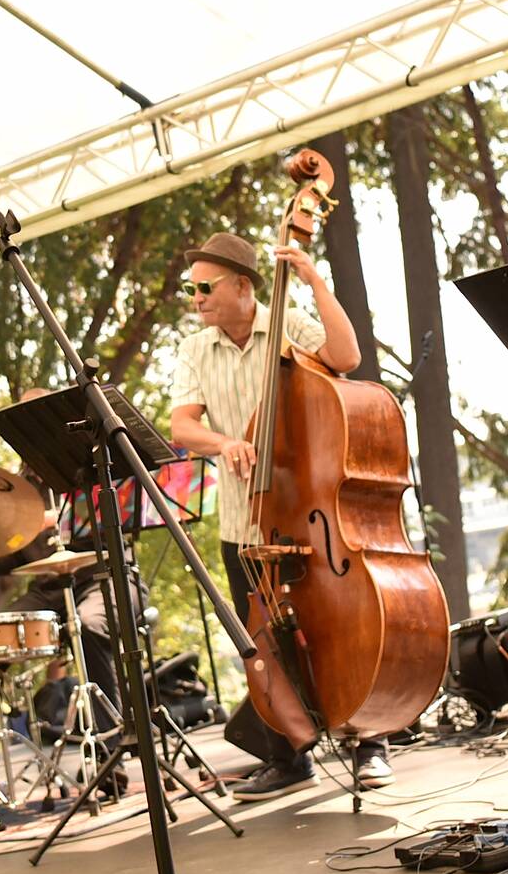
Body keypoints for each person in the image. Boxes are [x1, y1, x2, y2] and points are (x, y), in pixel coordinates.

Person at [165, 231, 392, 801]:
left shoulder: (289, 324)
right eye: (192, 290)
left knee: (340, 626)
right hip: (244, 521)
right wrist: (224, 443)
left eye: (205, 288)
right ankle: (288, 757)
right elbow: (181, 426)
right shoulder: (195, 349)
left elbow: (346, 358)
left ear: (243, 286)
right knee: (263, 644)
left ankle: (371, 741)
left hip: (311, 511)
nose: (196, 299)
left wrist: (313, 279)